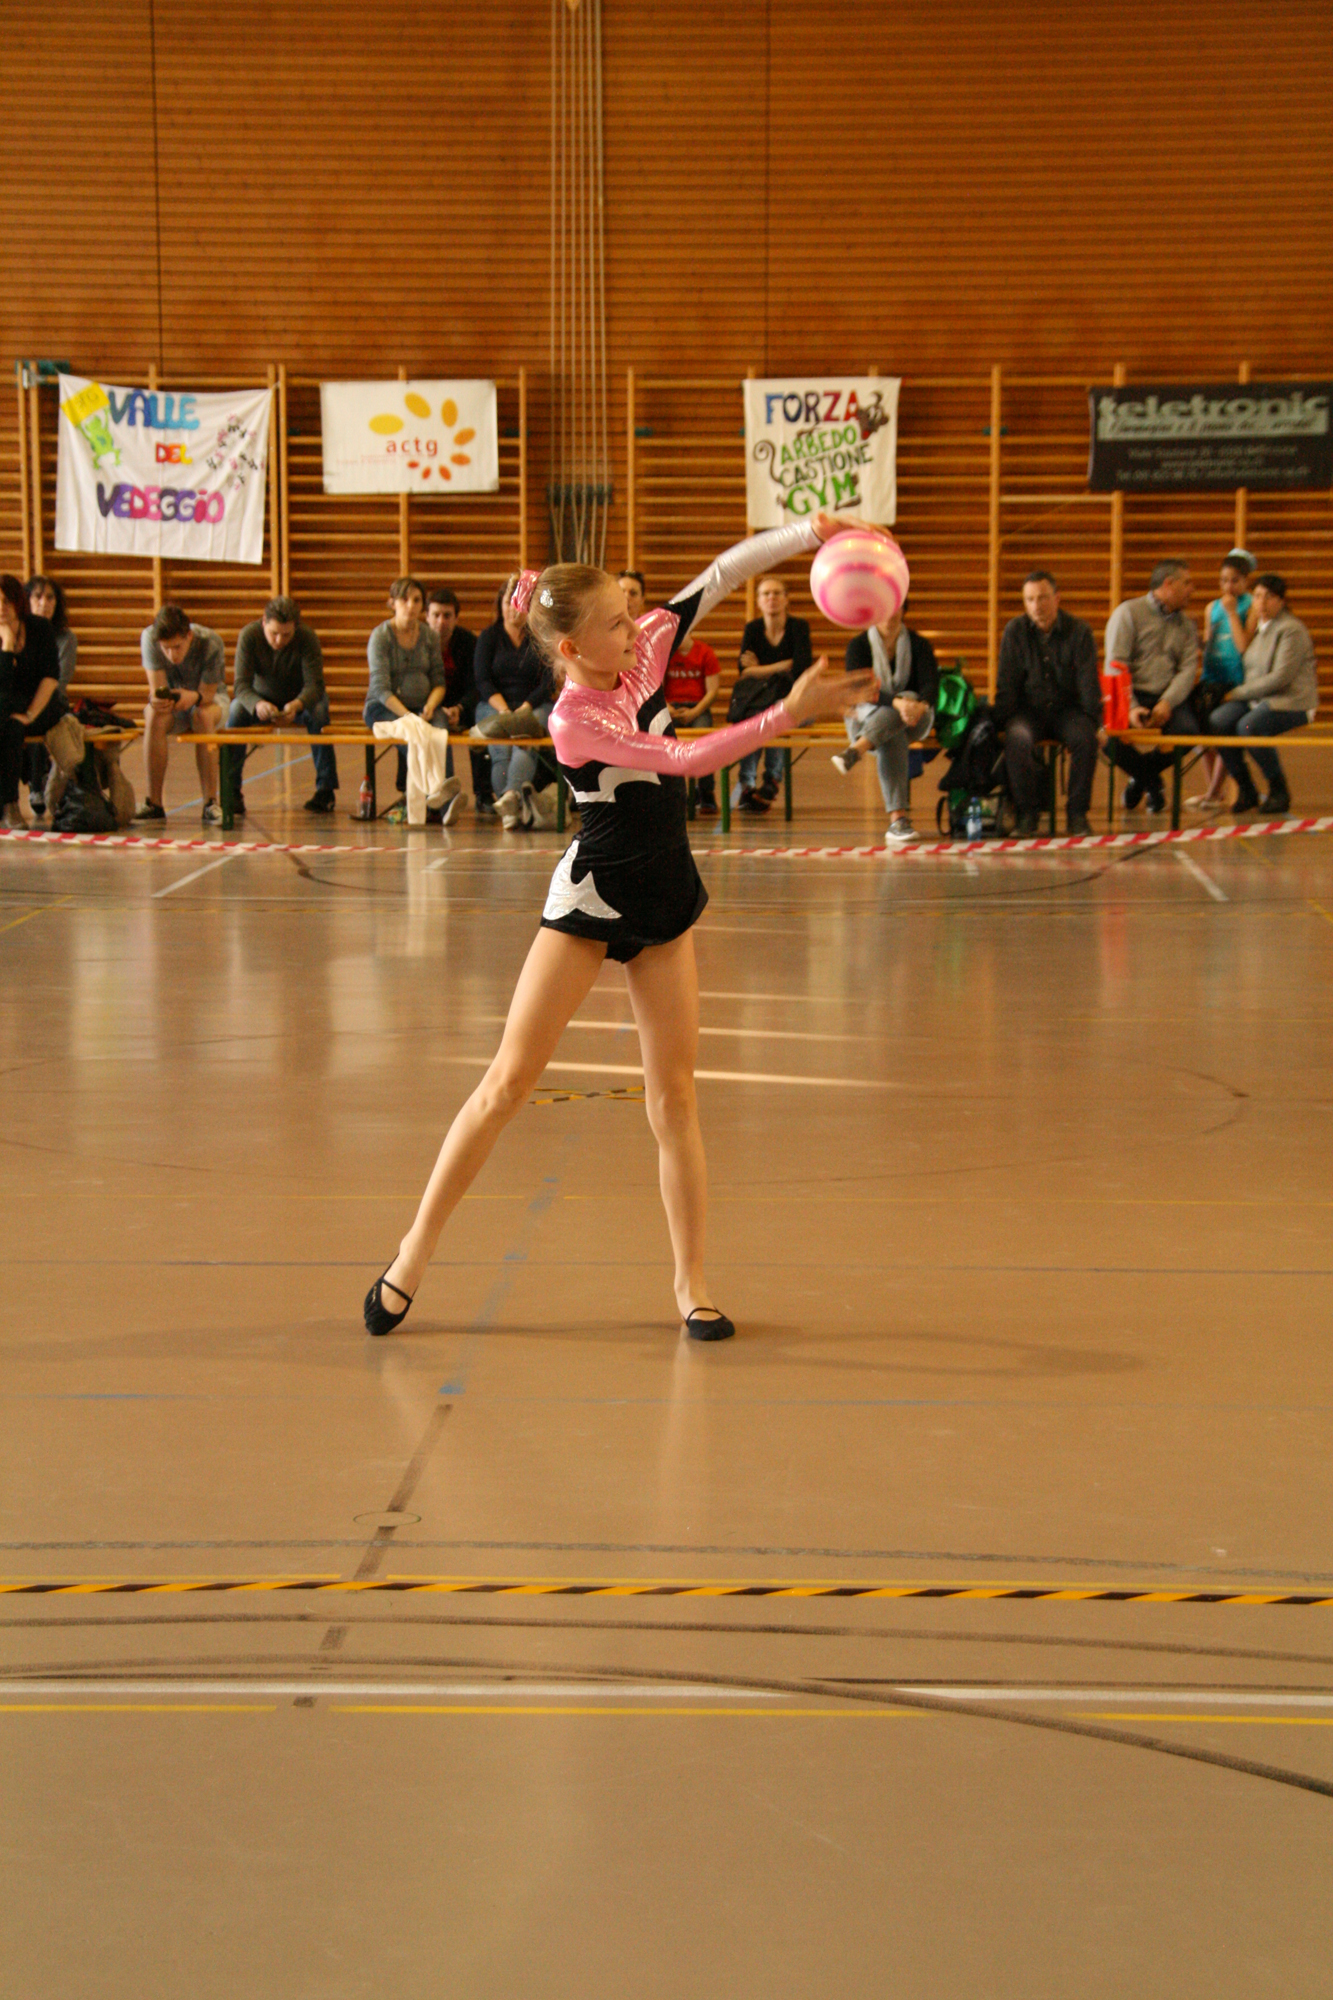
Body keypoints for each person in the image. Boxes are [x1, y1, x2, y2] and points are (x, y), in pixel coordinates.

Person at [363, 512, 879, 1345]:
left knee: (674, 1099)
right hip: (592, 901)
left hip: (664, 897)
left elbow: (719, 574)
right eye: (614, 621)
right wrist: (788, 713)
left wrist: (808, 531)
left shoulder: (642, 648)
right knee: (506, 1083)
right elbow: (681, 760)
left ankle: (691, 1285)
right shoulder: (573, 718)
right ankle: (412, 1253)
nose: (635, 628)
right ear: (571, 648)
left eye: (629, 613)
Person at [992, 571, 1101, 837]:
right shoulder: (1015, 631)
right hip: (1028, 712)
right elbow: (1006, 683)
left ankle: (1077, 815)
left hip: (1067, 711)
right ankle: (1027, 814)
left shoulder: (1079, 631)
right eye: (1029, 600)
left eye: (1042, 598)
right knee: (1017, 739)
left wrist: (1096, 723)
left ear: (1057, 598)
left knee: (1086, 738)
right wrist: (1000, 723)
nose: (1036, 606)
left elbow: (1088, 682)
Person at [831, 597, 939, 843]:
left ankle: (856, 750)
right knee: (893, 733)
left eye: (895, 606)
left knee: (910, 697)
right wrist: (898, 704)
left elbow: (930, 686)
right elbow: (862, 691)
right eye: (883, 607)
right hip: (867, 718)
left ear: (903, 609)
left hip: (917, 717)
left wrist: (919, 705)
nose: (889, 613)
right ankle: (898, 821)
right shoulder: (858, 645)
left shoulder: (919, 644)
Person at [1209, 573, 1317, 815]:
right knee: (1218, 721)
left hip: (1292, 702)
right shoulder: (1260, 628)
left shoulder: (1291, 630)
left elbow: (1280, 678)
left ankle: (1279, 790)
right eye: (1257, 596)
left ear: (1281, 601)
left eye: (1269, 597)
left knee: (1248, 726)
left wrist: (1236, 693)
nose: (1261, 602)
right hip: (1258, 700)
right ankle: (1246, 788)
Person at [1103, 560, 1201, 814]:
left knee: (1189, 732)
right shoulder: (1128, 613)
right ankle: (1151, 781)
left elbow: (1187, 670)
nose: (1192, 589)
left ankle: (1140, 778)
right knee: (1103, 736)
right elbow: (1115, 664)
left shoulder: (1187, 625)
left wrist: (1167, 702)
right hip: (1130, 693)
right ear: (1168, 584)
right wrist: (1132, 707)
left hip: (1167, 696)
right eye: (1187, 583)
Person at [227, 596, 338, 816]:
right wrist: (257, 704)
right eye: (274, 633)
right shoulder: (249, 636)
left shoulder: (307, 638)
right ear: (263, 623)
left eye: (286, 635)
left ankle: (326, 790)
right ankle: (232, 790)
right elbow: (241, 685)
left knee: (319, 711)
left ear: (296, 628)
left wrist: (297, 704)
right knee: (236, 711)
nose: (279, 640)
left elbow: (315, 685)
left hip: (298, 700)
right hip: (261, 699)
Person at [364, 577, 451, 822]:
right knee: (416, 736)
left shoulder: (429, 636)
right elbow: (380, 688)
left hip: (423, 705)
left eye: (416, 600)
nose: (411, 606)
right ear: (392, 603)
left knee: (440, 733)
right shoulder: (380, 636)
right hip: (384, 707)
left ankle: (444, 802)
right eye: (404, 599)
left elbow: (438, 681)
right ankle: (435, 795)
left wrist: (431, 705)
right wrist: (409, 715)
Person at [472, 576, 556, 828]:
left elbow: (549, 681)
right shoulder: (489, 636)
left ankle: (510, 798)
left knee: (525, 743)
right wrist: (506, 711)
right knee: (501, 752)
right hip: (495, 704)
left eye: (518, 603)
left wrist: (525, 709)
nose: (512, 609)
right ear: (500, 605)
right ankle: (512, 806)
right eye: (507, 602)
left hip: (533, 706)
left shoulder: (540, 637)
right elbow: (482, 680)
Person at [135, 604, 225, 823]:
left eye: (177, 647)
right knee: (153, 715)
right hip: (176, 700)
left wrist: (192, 697)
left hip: (207, 699)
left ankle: (210, 802)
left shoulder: (211, 642)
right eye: (165, 648)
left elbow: (207, 694)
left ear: (189, 636)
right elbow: (158, 689)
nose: (171, 655)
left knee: (202, 716)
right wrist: (157, 700)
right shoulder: (149, 638)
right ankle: (154, 802)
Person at [732, 575, 812, 811]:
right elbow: (744, 671)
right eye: (766, 593)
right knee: (755, 718)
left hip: (797, 703)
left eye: (777, 593)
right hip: (758, 703)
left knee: (776, 713)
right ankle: (747, 783)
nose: (772, 598)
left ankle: (772, 780)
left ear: (786, 599)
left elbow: (801, 667)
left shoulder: (799, 627)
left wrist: (759, 669)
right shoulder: (753, 629)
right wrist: (782, 665)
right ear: (758, 601)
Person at [1191, 550, 1258, 810]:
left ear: (1246, 581)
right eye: (1224, 580)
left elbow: (1243, 647)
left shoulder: (1250, 606)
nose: (1228, 586)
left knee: (1221, 732)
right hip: (1212, 676)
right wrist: (1197, 643)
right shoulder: (1212, 607)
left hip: (1235, 680)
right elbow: (1209, 644)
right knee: (1202, 734)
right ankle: (1214, 790)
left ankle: (1213, 792)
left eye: (1234, 581)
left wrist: (1231, 614)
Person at [0, 575, 66, 828]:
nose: (1, 607)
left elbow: (50, 678)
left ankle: (10, 805)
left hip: (41, 705)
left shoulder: (40, 628)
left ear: (18, 602)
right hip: (8, 707)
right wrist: (7, 644)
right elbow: (2, 686)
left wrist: (30, 714)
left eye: (6, 601)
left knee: (11, 722)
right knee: (10, 726)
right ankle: (9, 804)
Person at [425, 588, 481, 824]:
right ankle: (429, 798)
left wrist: (460, 708)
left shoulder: (469, 642)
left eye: (447, 615)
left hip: (462, 708)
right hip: (430, 707)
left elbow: (476, 684)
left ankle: (483, 793)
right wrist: (435, 708)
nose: (441, 621)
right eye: (436, 615)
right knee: (434, 730)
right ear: (427, 617)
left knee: (482, 725)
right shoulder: (419, 642)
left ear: (456, 618)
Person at [23, 576, 77, 817]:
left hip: (53, 701)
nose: (43, 603)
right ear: (26, 600)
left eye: (50, 597)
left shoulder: (66, 638)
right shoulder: (17, 633)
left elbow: (59, 680)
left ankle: (37, 784)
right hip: (22, 699)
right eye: (37, 597)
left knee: (37, 712)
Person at [665, 622, 721, 813]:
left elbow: (712, 691)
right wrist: (668, 708)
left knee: (705, 744)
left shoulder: (705, 652)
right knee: (665, 743)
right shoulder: (666, 653)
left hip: (698, 707)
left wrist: (694, 712)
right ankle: (671, 794)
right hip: (672, 707)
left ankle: (706, 792)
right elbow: (656, 687)